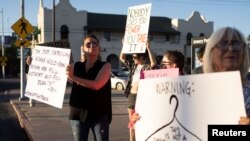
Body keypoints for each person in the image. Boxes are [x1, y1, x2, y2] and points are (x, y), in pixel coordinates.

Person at [66, 34, 112, 141]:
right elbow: (67, 79)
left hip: (98, 114)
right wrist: (34, 63)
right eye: (88, 44)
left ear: (99, 48)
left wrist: (73, 77)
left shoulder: (105, 66)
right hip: (77, 114)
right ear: (83, 49)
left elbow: (96, 85)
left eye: (95, 43)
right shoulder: (76, 66)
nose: (92, 45)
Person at [202, 27, 250, 125]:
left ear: (243, 52)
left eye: (236, 44)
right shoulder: (196, 90)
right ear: (211, 52)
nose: (231, 49)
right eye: (223, 43)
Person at [120, 41, 156, 141]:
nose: (133, 58)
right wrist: (124, 45)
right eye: (133, 57)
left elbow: (154, 64)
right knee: (132, 122)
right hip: (132, 95)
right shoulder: (133, 66)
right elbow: (122, 58)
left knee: (141, 120)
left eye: (135, 57)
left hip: (142, 97)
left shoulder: (147, 67)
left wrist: (148, 48)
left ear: (142, 58)